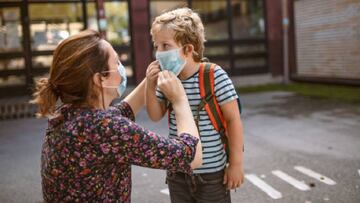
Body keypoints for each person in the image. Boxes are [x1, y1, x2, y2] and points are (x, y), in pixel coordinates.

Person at [31, 29, 202, 202]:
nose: (120, 66)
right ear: (100, 79)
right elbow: (190, 157)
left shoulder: (69, 115)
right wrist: (179, 99)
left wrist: (151, 77)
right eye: (116, 61)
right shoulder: (104, 128)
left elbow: (124, 111)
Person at [145, 8, 244, 202]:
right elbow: (155, 115)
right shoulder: (167, 79)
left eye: (165, 45)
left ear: (188, 49)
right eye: (157, 46)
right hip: (177, 173)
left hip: (212, 176)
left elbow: (233, 121)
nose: (159, 53)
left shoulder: (214, 76)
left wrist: (236, 164)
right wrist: (150, 85)